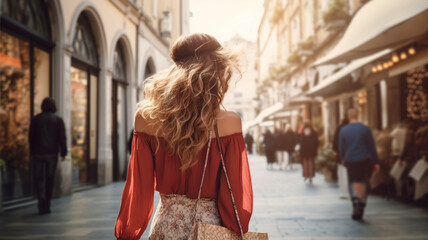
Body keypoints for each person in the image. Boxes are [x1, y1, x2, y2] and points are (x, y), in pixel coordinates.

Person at [115, 33, 253, 240]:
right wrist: (237, 228)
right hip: (211, 231)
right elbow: (234, 193)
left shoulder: (146, 118)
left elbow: (139, 189)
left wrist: (127, 233)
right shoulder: (229, 122)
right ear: (217, 72)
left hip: (166, 227)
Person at [339, 108, 379, 220]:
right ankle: (361, 203)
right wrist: (375, 162)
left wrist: (343, 159)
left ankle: (355, 203)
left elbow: (341, 148)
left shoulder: (344, 130)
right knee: (362, 181)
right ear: (358, 115)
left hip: (350, 159)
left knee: (352, 181)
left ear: (348, 117)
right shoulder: (365, 129)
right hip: (364, 159)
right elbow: (371, 146)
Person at [29, 98, 67, 215]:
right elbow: (62, 137)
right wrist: (63, 152)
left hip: (38, 153)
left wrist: (32, 151)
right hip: (51, 153)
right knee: (50, 179)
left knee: (39, 178)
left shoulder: (36, 119)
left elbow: (31, 136)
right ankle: (47, 204)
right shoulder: (58, 119)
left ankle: (41, 200)